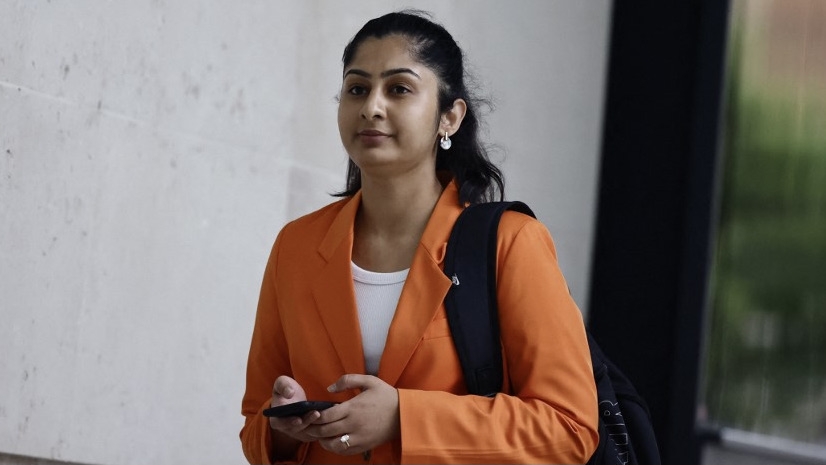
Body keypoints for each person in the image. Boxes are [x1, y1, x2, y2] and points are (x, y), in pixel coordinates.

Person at [240, 10, 598, 464]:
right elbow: (256, 424)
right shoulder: (296, 246)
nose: (372, 106)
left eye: (399, 89)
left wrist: (404, 419)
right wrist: (286, 427)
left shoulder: (511, 243)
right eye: (357, 88)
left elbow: (569, 427)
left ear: (450, 116)